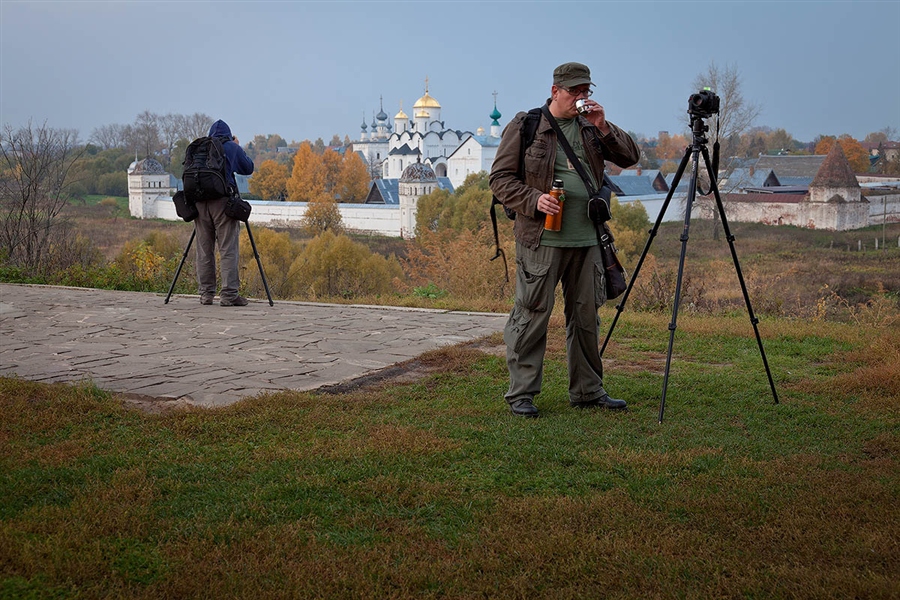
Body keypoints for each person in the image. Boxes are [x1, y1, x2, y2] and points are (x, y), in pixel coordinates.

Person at [489, 62, 640, 417]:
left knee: (586, 317)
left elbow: (630, 157)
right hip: (541, 240)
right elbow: (499, 179)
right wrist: (532, 200)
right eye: (574, 91)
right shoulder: (528, 125)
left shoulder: (591, 127)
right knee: (532, 315)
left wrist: (604, 125)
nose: (581, 98)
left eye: (586, 91)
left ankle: (588, 391)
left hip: (587, 239)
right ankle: (522, 394)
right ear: (555, 90)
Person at [195, 119, 254, 306]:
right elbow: (248, 168)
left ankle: (206, 294)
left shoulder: (200, 148)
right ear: (229, 135)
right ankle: (229, 294)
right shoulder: (230, 147)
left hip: (199, 204)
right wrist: (237, 147)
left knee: (204, 251)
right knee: (227, 249)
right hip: (222, 204)